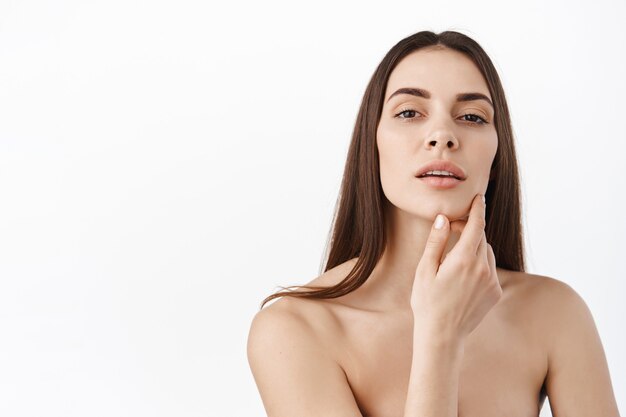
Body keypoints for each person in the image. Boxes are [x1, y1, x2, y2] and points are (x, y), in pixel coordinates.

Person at [246, 30, 621, 417]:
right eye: (409, 112)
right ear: (371, 146)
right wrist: (440, 337)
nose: (442, 135)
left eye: (472, 117)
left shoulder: (556, 314)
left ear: (496, 159)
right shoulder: (294, 330)